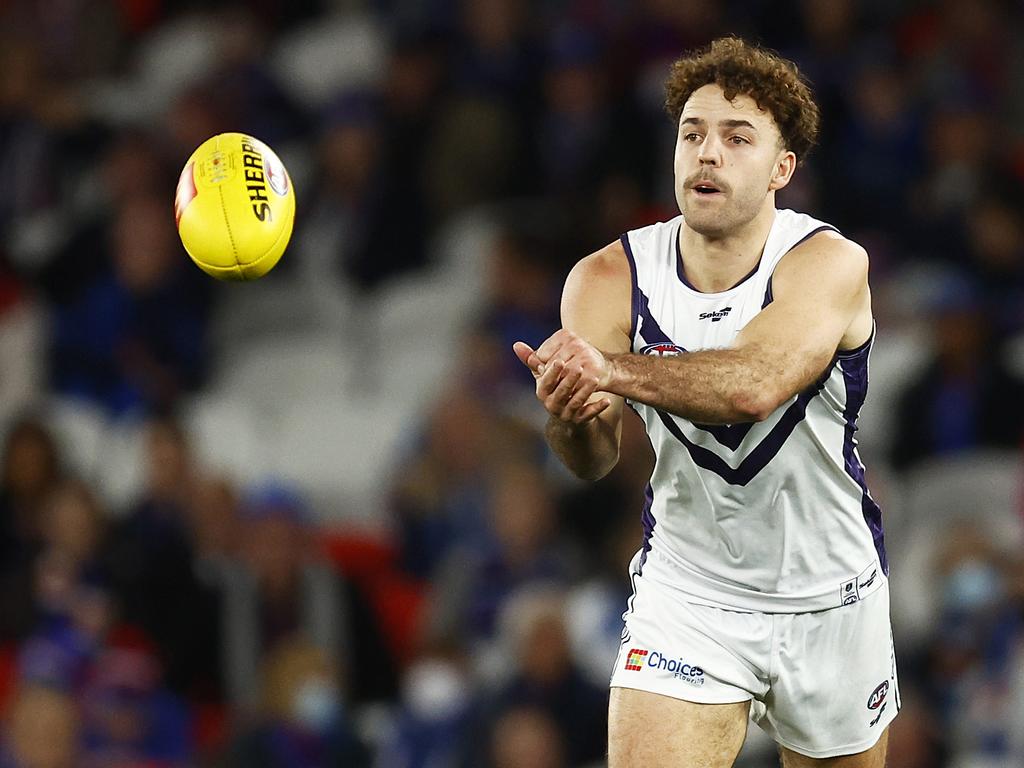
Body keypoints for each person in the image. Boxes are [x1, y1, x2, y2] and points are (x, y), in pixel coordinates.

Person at [513, 37, 897, 767]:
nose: (706, 153)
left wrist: (612, 372)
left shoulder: (829, 263)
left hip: (830, 595)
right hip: (689, 592)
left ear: (783, 168)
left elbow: (754, 386)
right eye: (692, 134)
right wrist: (570, 414)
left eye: (736, 137)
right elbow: (593, 462)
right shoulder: (605, 278)